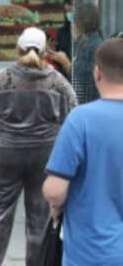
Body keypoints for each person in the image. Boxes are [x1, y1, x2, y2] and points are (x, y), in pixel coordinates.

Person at [0, 27, 76, 266]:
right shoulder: (57, 82)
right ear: (46, 53)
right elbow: (74, 116)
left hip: (4, 153)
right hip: (45, 155)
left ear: (18, 48)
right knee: (39, 218)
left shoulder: (2, 78)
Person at [43, 38, 123, 266]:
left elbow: (55, 190)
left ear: (97, 73)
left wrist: (55, 206)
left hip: (91, 252)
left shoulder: (81, 120)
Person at [70, 1, 103, 104]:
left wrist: (66, 64)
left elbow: (89, 80)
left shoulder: (95, 46)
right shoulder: (82, 42)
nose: (72, 24)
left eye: (74, 21)